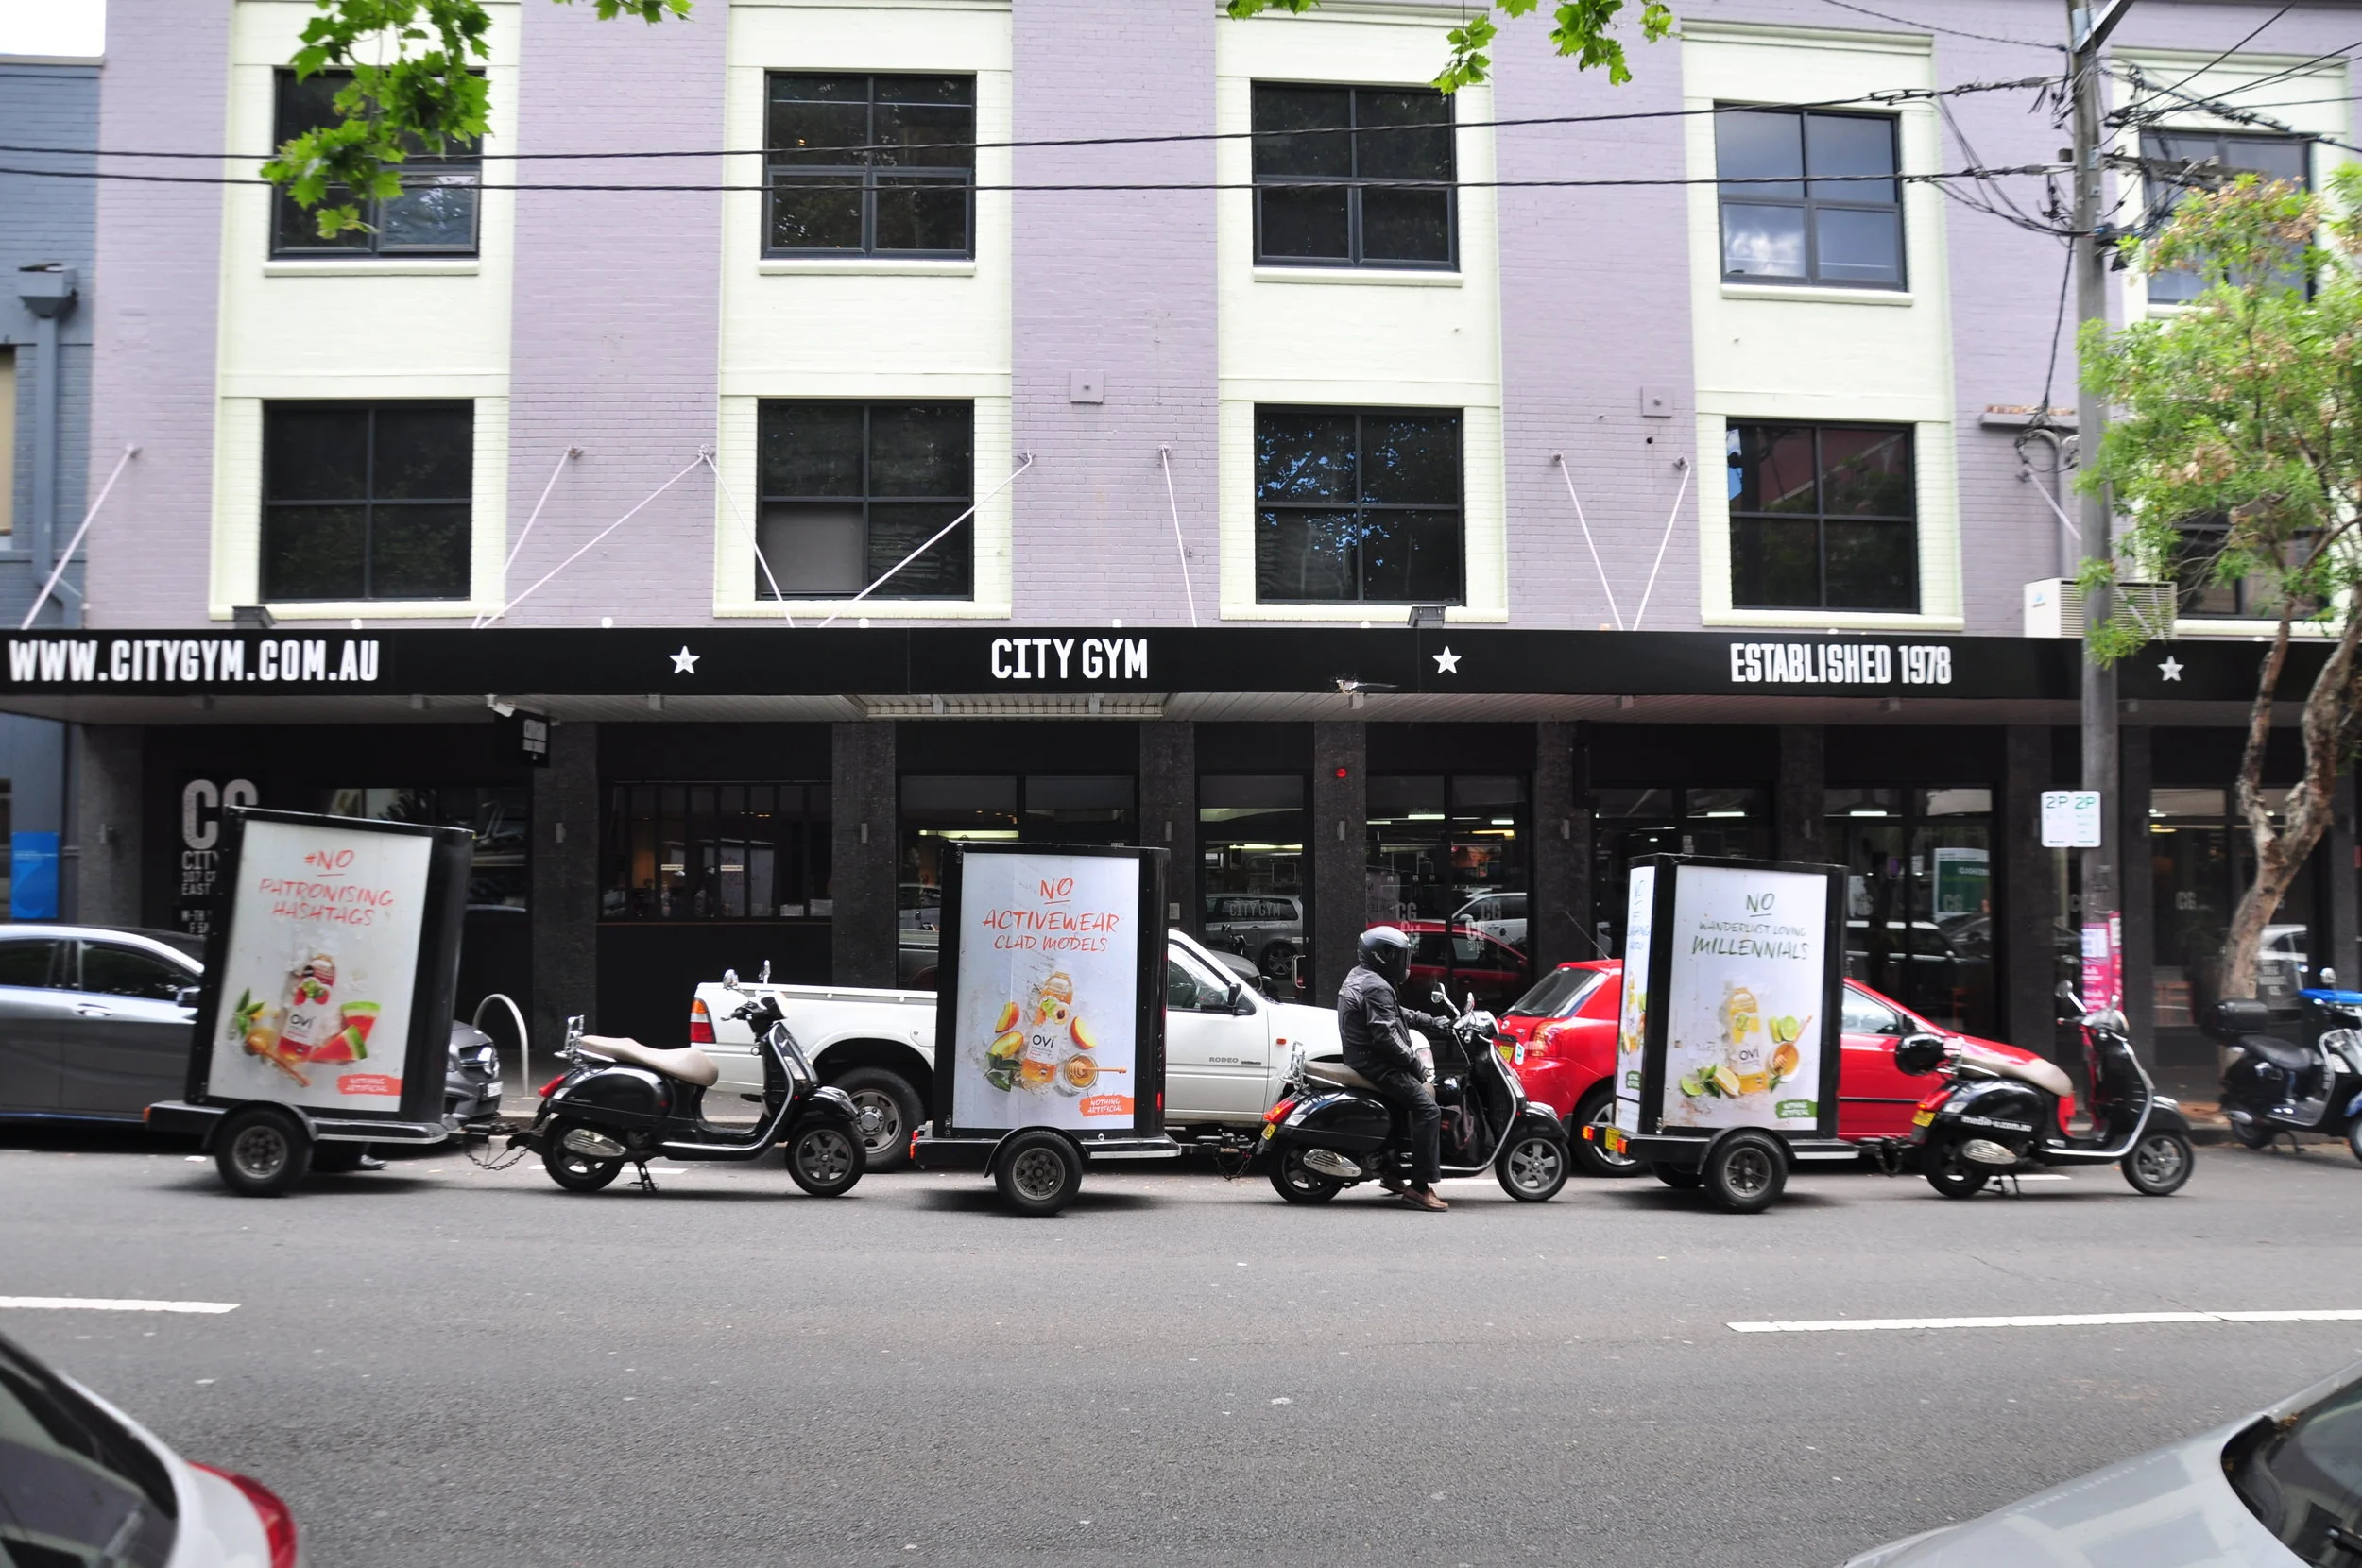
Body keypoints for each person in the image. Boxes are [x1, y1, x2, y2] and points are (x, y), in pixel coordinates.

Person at [1337, 925, 1449, 1212]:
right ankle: (1420, 1187)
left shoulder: (1363, 975)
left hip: (1362, 1056)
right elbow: (1386, 1036)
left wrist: (1430, 1021)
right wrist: (1414, 1064)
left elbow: (1395, 1014)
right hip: (1376, 1062)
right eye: (1398, 956)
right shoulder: (1376, 985)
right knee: (1428, 1110)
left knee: (1401, 1105)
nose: (1403, 962)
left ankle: (1391, 1171)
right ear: (1382, 955)